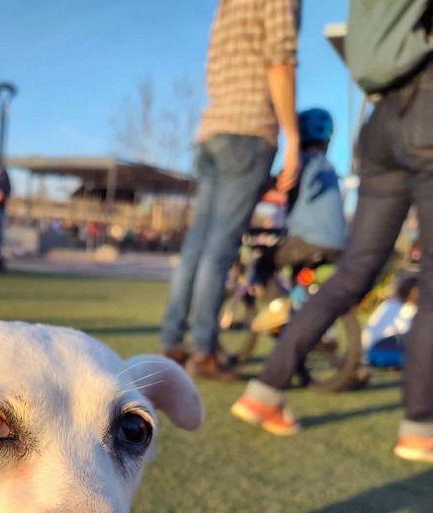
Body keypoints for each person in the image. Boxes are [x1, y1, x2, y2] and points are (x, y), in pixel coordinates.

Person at [232, 0, 433, 462]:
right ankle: (419, 427)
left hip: (381, 120)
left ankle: (265, 390)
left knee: (352, 274)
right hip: (426, 105)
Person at [159, 0, 301, 381]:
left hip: (212, 130)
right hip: (249, 131)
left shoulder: (227, 5)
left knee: (196, 246)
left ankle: (172, 343)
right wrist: (292, 136)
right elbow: (280, 63)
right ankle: (204, 351)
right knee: (219, 249)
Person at [251, 108, 346, 293]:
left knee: (265, 261)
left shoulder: (300, 163)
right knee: (300, 277)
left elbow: (277, 189)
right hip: (338, 245)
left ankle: (264, 299)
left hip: (307, 242)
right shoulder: (328, 166)